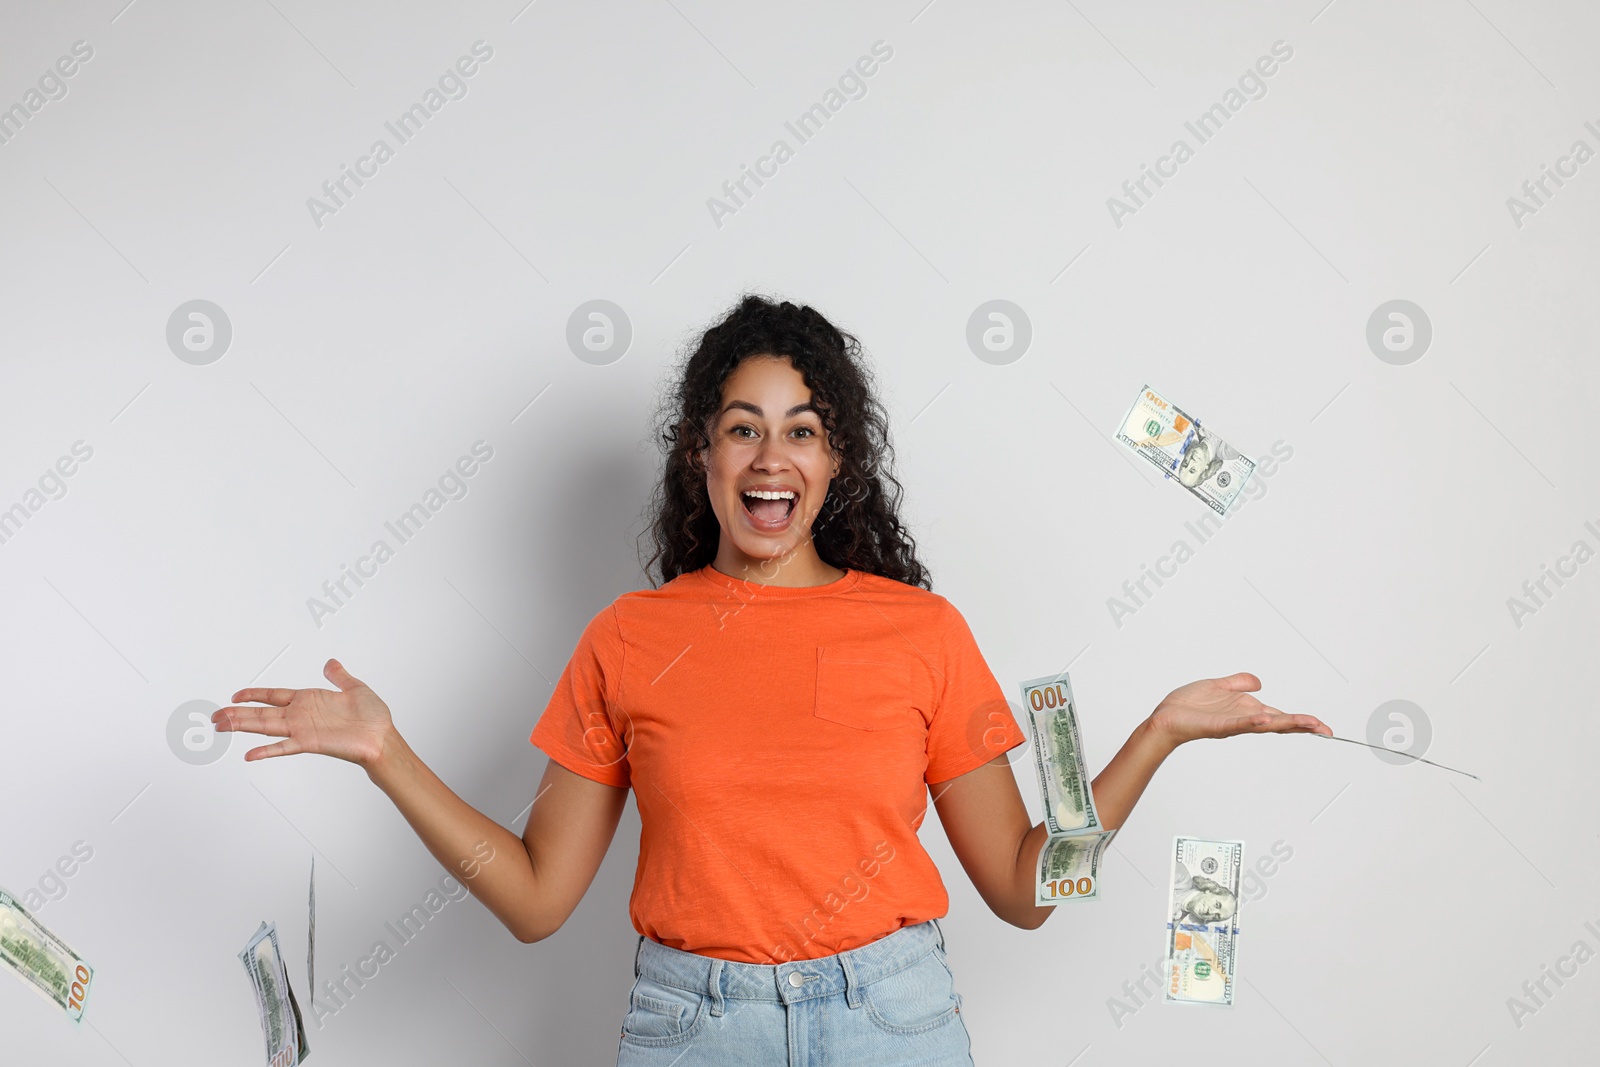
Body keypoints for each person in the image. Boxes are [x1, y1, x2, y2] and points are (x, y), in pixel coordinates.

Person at [212, 295, 1331, 1066]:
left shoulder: (920, 632)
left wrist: (1155, 733)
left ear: (836, 459)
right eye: (741, 429)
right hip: (693, 1028)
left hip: (895, 1020)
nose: (768, 457)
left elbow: (1027, 892)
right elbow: (538, 901)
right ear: (700, 452)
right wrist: (386, 753)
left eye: (801, 430)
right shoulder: (629, 638)